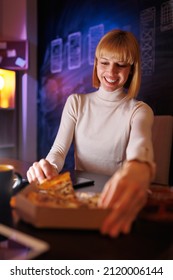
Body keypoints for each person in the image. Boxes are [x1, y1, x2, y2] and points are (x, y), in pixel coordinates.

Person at [27, 29, 156, 237]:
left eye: (121, 65)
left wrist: (139, 166)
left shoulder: (139, 110)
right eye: (105, 62)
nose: (111, 72)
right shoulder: (76, 102)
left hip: (117, 202)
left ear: (132, 69)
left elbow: (141, 145)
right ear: (97, 63)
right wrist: (48, 168)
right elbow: (58, 151)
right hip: (81, 200)